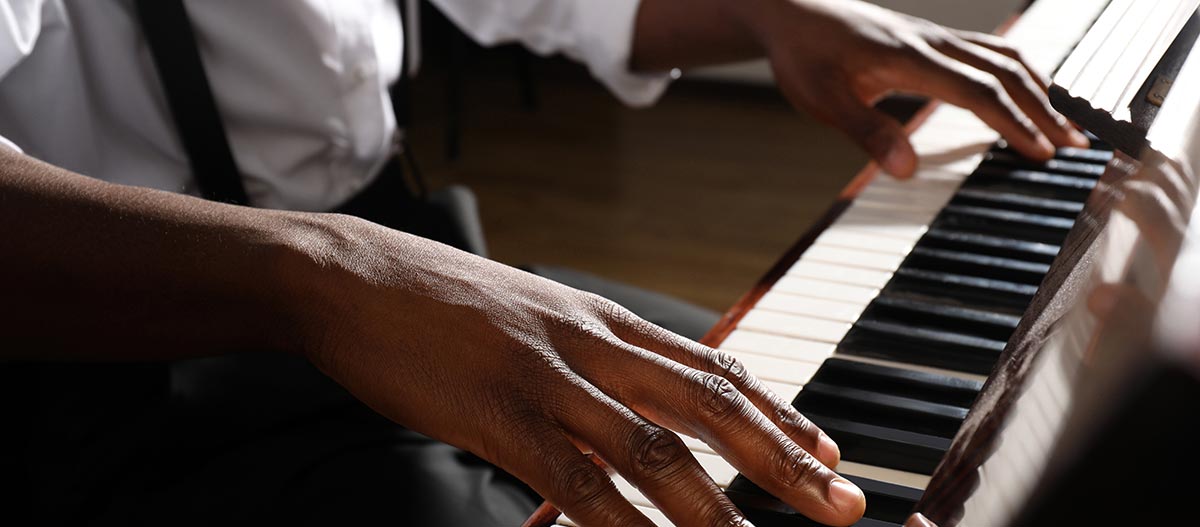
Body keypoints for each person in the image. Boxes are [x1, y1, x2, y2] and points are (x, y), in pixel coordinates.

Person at [0, 0, 1087, 526]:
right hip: (134, 347)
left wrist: (763, 10)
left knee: (800, 414)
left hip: (389, 254)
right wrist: (321, 276)